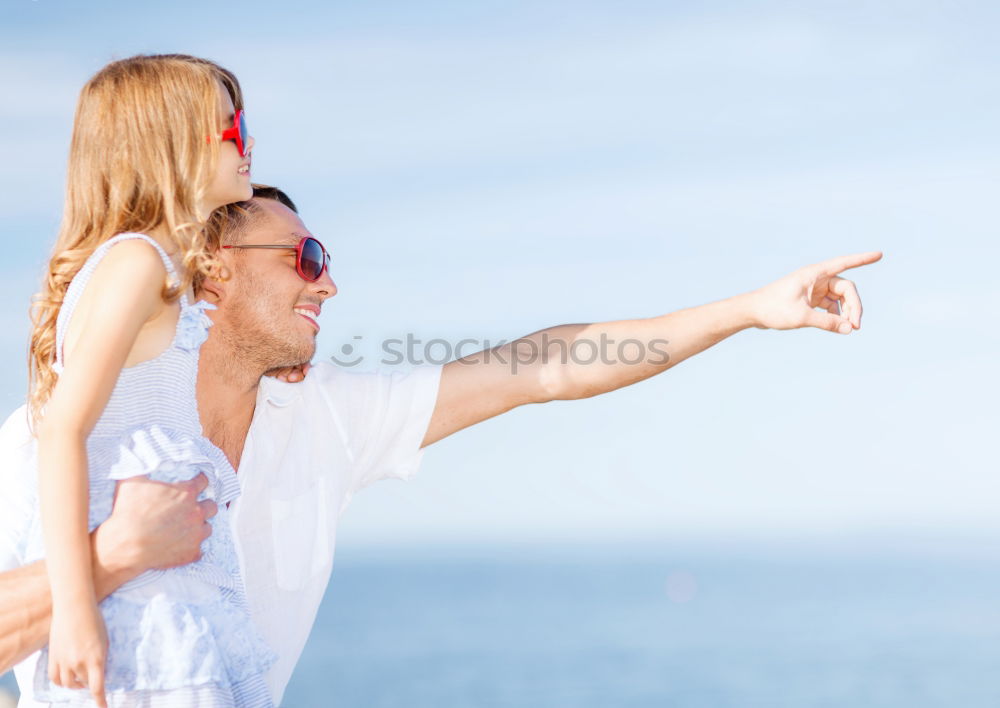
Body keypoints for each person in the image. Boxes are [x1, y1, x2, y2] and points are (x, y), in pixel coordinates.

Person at [0, 182, 882, 706]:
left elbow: (545, 367)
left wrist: (748, 310)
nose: (331, 282)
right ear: (216, 268)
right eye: (306, 255)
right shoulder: (70, 425)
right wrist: (112, 558)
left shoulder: (326, 419)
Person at [22, 55, 275, 707]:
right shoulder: (135, 263)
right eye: (232, 128)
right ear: (171, 144)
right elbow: (62, 432)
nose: (249, 143)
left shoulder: (151, 267)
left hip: (159, 585)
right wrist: (76, 611)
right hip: (140, 602)